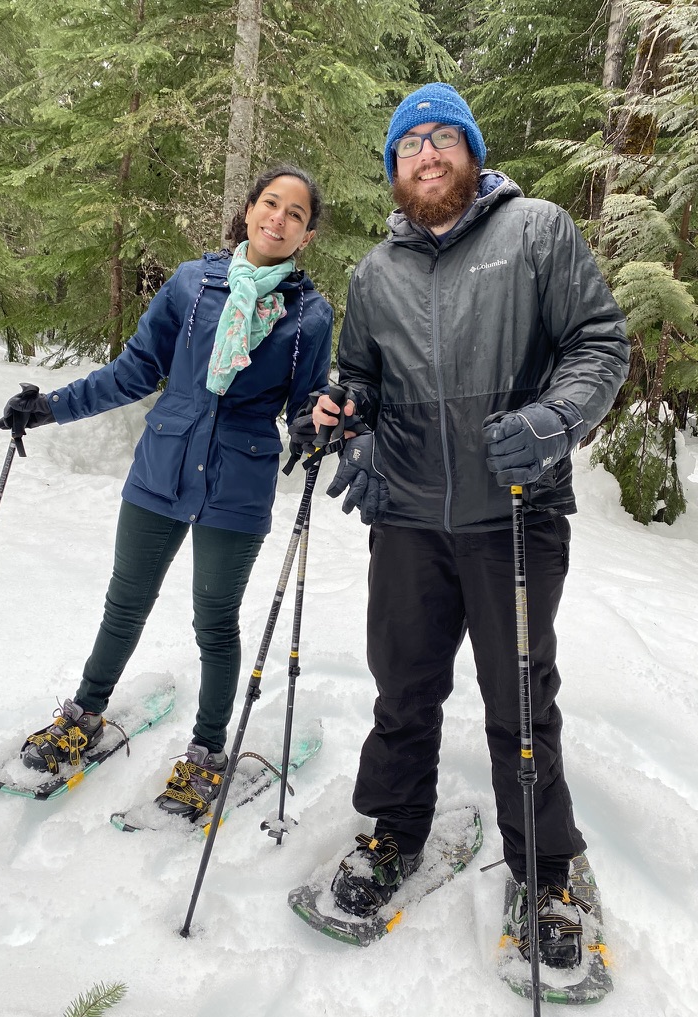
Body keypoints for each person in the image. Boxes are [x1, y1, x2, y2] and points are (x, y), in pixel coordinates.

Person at [297, 84, 629, 968]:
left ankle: (546, 866)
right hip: (405, 518)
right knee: (403, 693)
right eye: (411, 145)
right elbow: (359, 378)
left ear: (472, 152)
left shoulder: (538, 233)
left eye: (445, 138)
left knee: (520, 703)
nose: (429, 154)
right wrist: (346, 421)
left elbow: (599, 345)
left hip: (513, 516)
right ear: (395, 168)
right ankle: (394, 833)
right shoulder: (375, 274)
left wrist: (553, 421)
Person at [0, 164, 333, 821]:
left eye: (295, 214)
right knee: (125, 603)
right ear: (249, 209)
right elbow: (134, 373)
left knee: (215, 621)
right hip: (161, 469)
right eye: (271, 203)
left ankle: (207, 754)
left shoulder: (309, 315)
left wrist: (315, 429)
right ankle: (83, 715)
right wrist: (50, 408)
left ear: (307, 235)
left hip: (238, 484)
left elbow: (304, 404)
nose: (279, 219)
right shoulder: (192, 283)